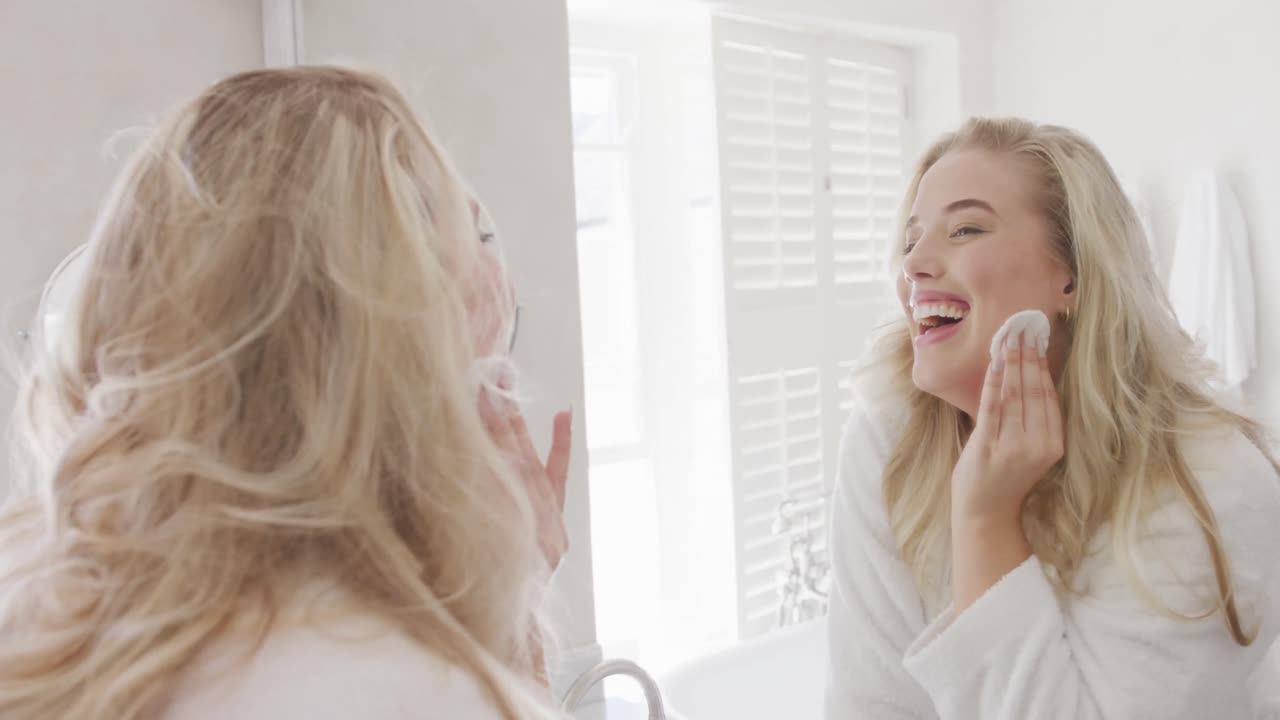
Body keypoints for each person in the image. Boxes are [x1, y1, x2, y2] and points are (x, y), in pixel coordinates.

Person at [0, 66, 572, 720]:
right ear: (399, 337)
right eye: (474, 240)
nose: (501, 283)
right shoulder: (407, 691)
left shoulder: (31, 602)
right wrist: (510, 624)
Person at [825, 117, 1280, 719]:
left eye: (964, 228)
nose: (914, 266)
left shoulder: (1211, 480)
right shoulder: (891, 436)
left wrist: (985, 521)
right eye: (911, 241)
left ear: (1072, 274)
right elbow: (871, 703)